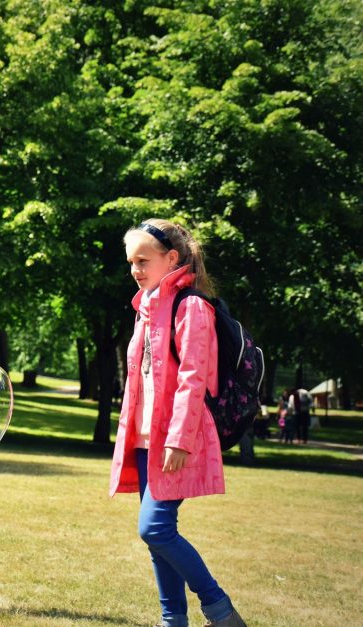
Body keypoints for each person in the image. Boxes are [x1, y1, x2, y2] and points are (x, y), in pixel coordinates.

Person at [110, 219, 246, 627]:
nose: (135, 269)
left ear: (172, 259)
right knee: (158, 539)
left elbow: (192, 379)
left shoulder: (192, 307)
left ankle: (220, 610)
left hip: (176, 439)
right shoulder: (146, 307)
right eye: (131, 261)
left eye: (143, 260)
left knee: (154, 529)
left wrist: (178, 439)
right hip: (146, 439)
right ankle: (173, 621)